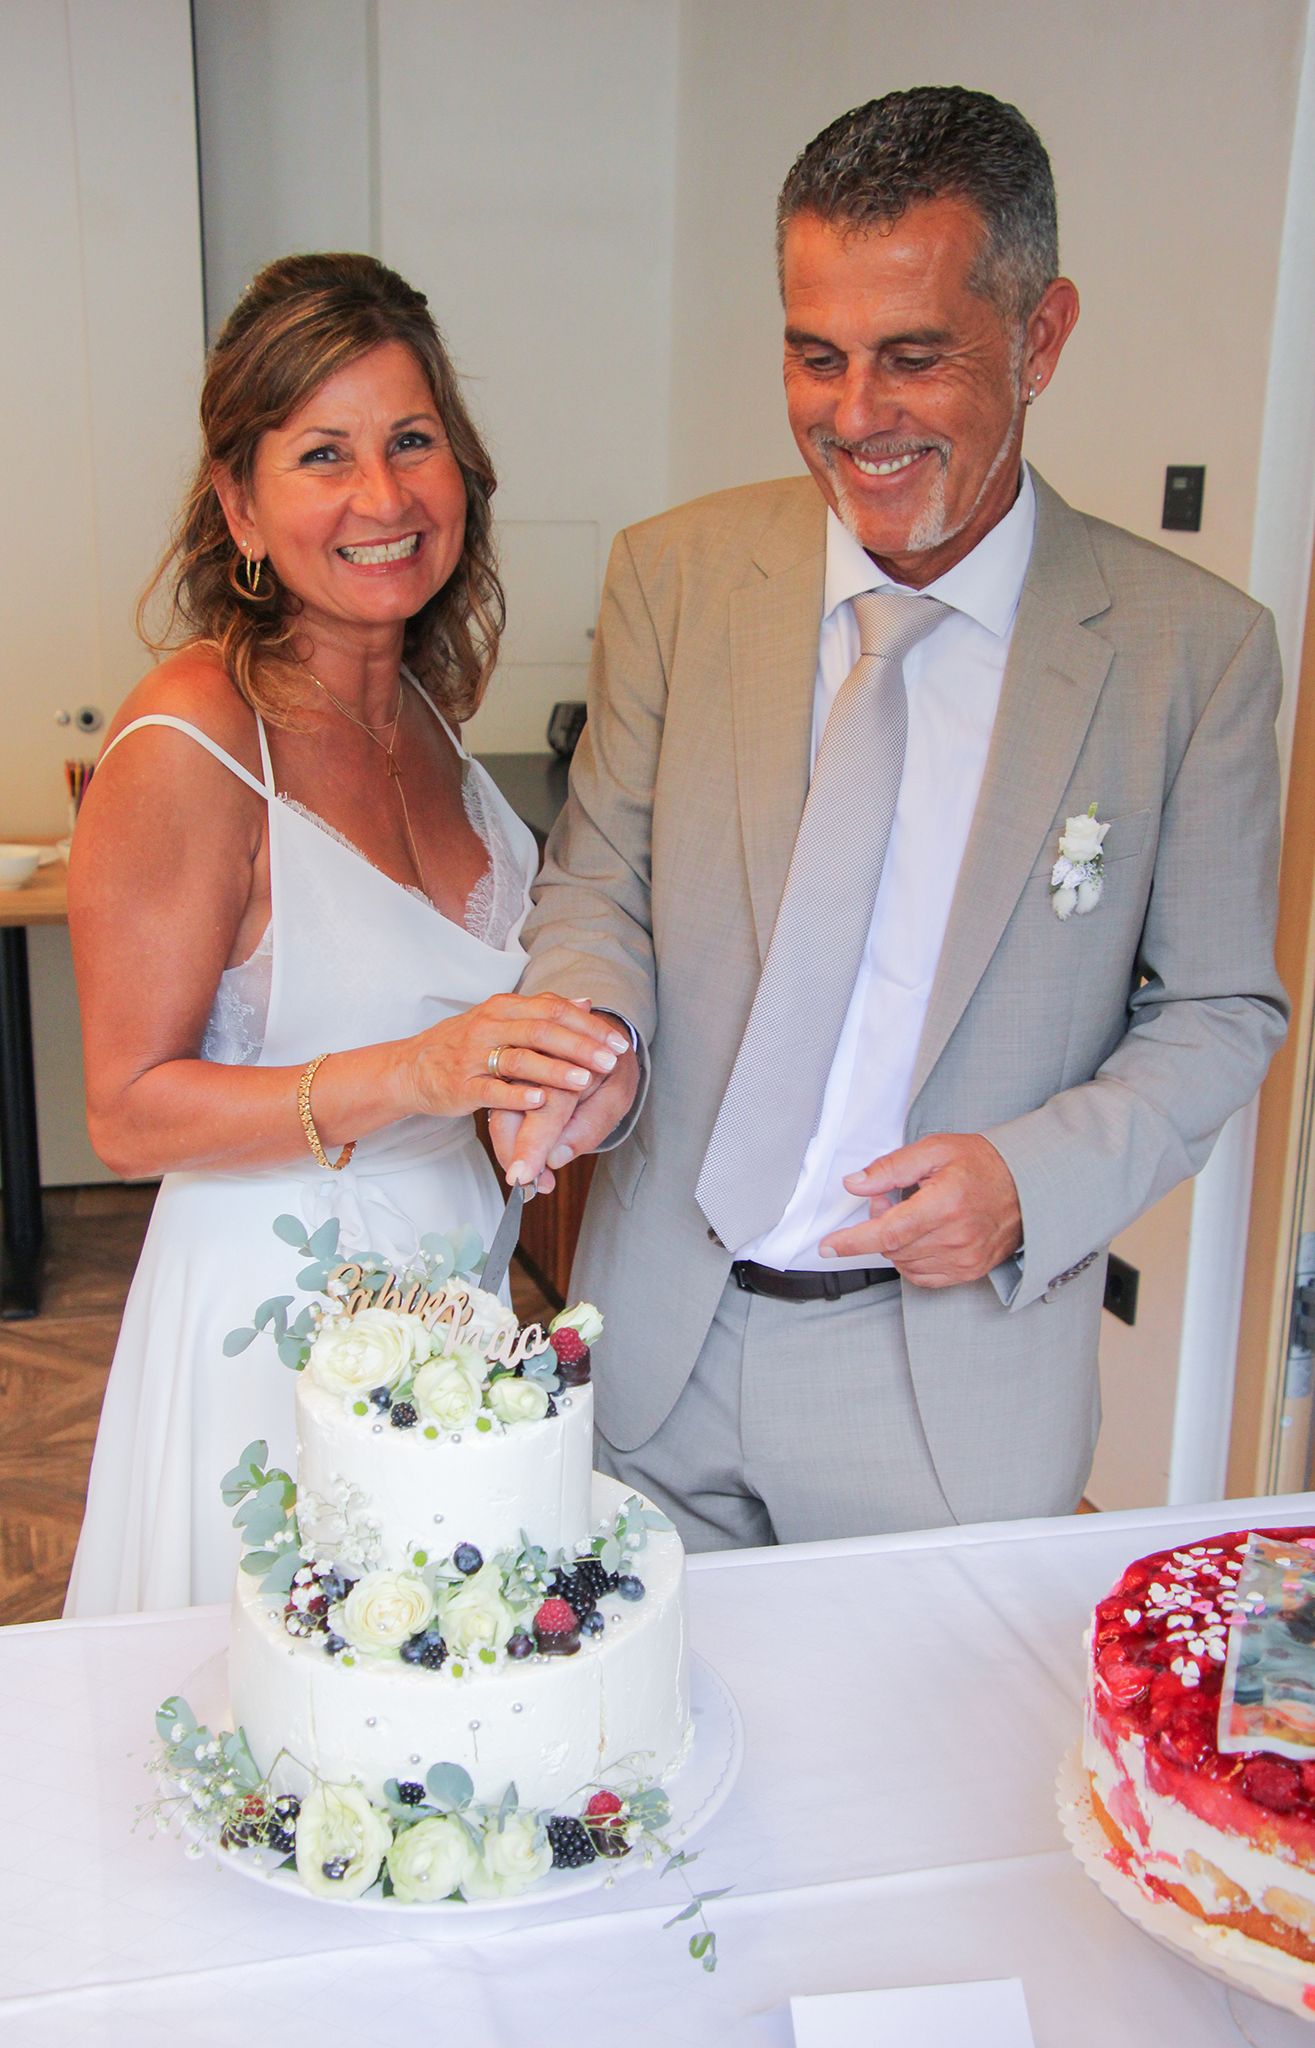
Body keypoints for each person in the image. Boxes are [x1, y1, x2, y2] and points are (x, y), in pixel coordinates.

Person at [492, 87, 1289, 1551]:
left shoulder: (1195, 652)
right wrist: (593, 1035)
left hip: (950, 1391)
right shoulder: (673, 577)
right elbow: (598, 878)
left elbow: (1219, 1007)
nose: (854, 417)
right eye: (816, 357)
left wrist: (1030, 1180)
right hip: (657, 1344)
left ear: (1040, 338)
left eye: (914, 358)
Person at [64, 254, 627, 1614]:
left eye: (411, 441)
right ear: (240, 507)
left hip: (455, 1322)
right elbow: (126, 1114)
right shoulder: (193, 735)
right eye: (324, 454)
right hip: (266, 1345)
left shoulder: (428, 714)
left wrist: (571, 1082)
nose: (383, 496)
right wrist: (418, 1074)